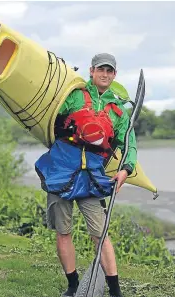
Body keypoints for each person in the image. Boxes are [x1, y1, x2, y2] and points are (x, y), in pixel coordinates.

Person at [36, 53, 137, 297]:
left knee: (100, 234)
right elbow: (49, 116)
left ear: (115, 74)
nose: (105, 74)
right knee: (64, 230)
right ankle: (72, 286)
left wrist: (126, 169)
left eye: (110, 71)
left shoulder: (119, 110)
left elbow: (129, 144)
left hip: (92, 175)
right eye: (101, 69)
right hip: (61, 169)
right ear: (92, 71)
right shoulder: (73, 95)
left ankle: (115, 292)